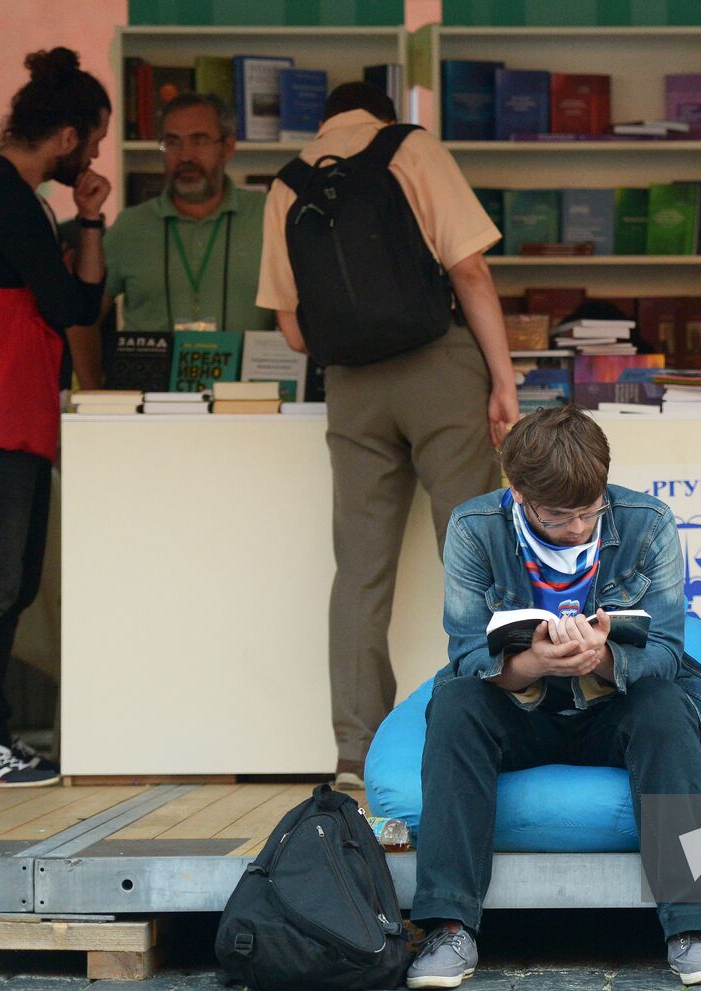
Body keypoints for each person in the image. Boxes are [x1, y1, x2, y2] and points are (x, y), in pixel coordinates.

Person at [406, 406, 701, 990]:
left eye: (590, 512)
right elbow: (465, 653)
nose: (579, 528)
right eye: (560, 516)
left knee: (664, 705)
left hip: (613, 703)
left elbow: (665, 646)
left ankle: (692, 928)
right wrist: (535, 661)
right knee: (457, 704)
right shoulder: (473, 527)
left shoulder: (647, 520)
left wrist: (605, 659)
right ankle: (448, 928)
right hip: (519, 707)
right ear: (518, 494)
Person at [256, 81, 518, 789]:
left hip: (352, 390)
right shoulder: (411, 148)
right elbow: (469, 269)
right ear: (381, 110)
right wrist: (502, 380)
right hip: (438, 370)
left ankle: (354, 751)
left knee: (360, 574)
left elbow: (288, 324)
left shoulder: (286, 185)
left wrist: (355, 350)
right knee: (473, 553)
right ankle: (492, 724)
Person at [0, 47, 110, 785]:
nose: (96, 154)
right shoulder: (7, 196)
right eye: (97, 139)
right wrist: (92, 224)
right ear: (69, 137)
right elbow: (72, 306)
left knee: (2, 580)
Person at [74, 91, 271, 382]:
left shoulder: (268, 218)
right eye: (172, 143)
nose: (186, 156)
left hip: (250, 407)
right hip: (151, 409)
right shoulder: (131, 226)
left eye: (200, 140)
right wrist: (93, 391)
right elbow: (82, 318)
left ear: (227, 147)